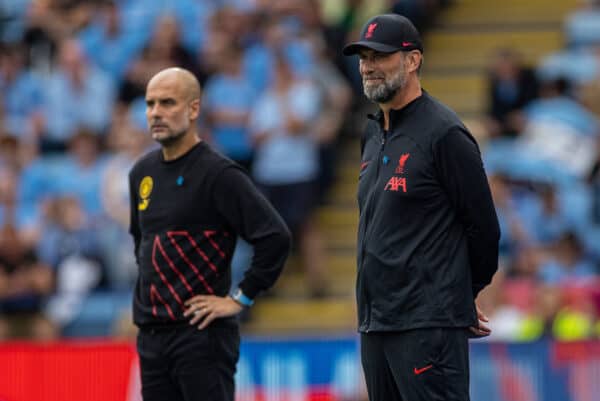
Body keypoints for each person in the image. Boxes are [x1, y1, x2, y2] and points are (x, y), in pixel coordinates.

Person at [342, 14, 501, 401]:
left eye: (380, 56)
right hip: (377, 324)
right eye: (364, 57)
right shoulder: (374, 131)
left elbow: (484, 229)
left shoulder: (444, 133)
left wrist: (460, 294)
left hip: (427, 325)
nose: (368, 67)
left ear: (412, 61)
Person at [128, 67, 291, 401]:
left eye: (168, 103)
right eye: (150, 104)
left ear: (193, 109)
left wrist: (239, 298)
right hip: (152, 337)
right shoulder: (141, 173)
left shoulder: (218, 173)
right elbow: (140, 242)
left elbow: (275, 236)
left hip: (200, 336)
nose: (156, 112)